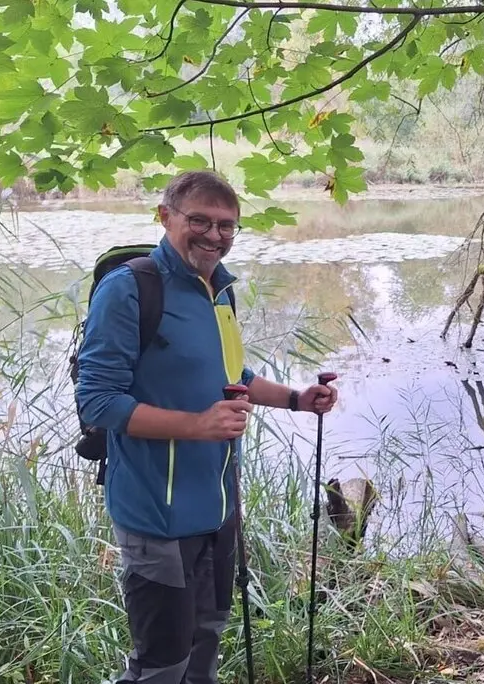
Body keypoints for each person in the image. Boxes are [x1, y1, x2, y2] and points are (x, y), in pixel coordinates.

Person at [76, 170, 340, 684]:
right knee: (161, 663)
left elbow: (232, 378)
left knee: (205, 645)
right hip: (156, 515)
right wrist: (196, 425)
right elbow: (98, 402)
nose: (214, 235)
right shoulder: (130, 289)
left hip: (219, 510)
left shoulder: (219, 291)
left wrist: (296, 399)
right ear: (166, 216)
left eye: (227, 225)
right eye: (200, 220)